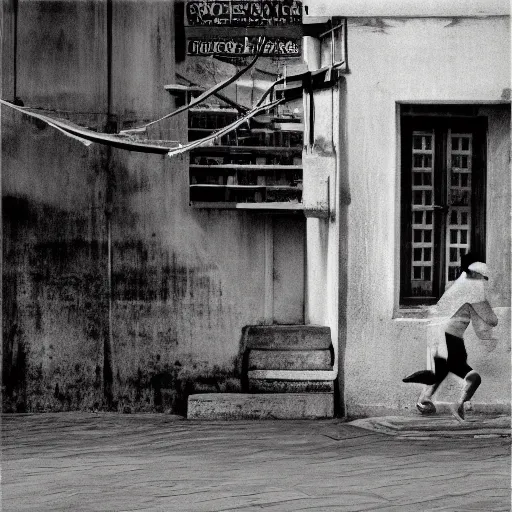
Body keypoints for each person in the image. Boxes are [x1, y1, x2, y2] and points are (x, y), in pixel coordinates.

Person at [403, 259, 498, 423]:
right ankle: (459, 404)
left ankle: (424, 400)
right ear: (476, 275)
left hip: (438, 335)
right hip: (451, 337)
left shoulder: (457, 286)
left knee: (442, 369)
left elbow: (474, 319)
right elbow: (491, 319)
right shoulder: (472, 289)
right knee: (472, 376)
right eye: (484, 278)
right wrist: (489, 332)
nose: (485, 282)